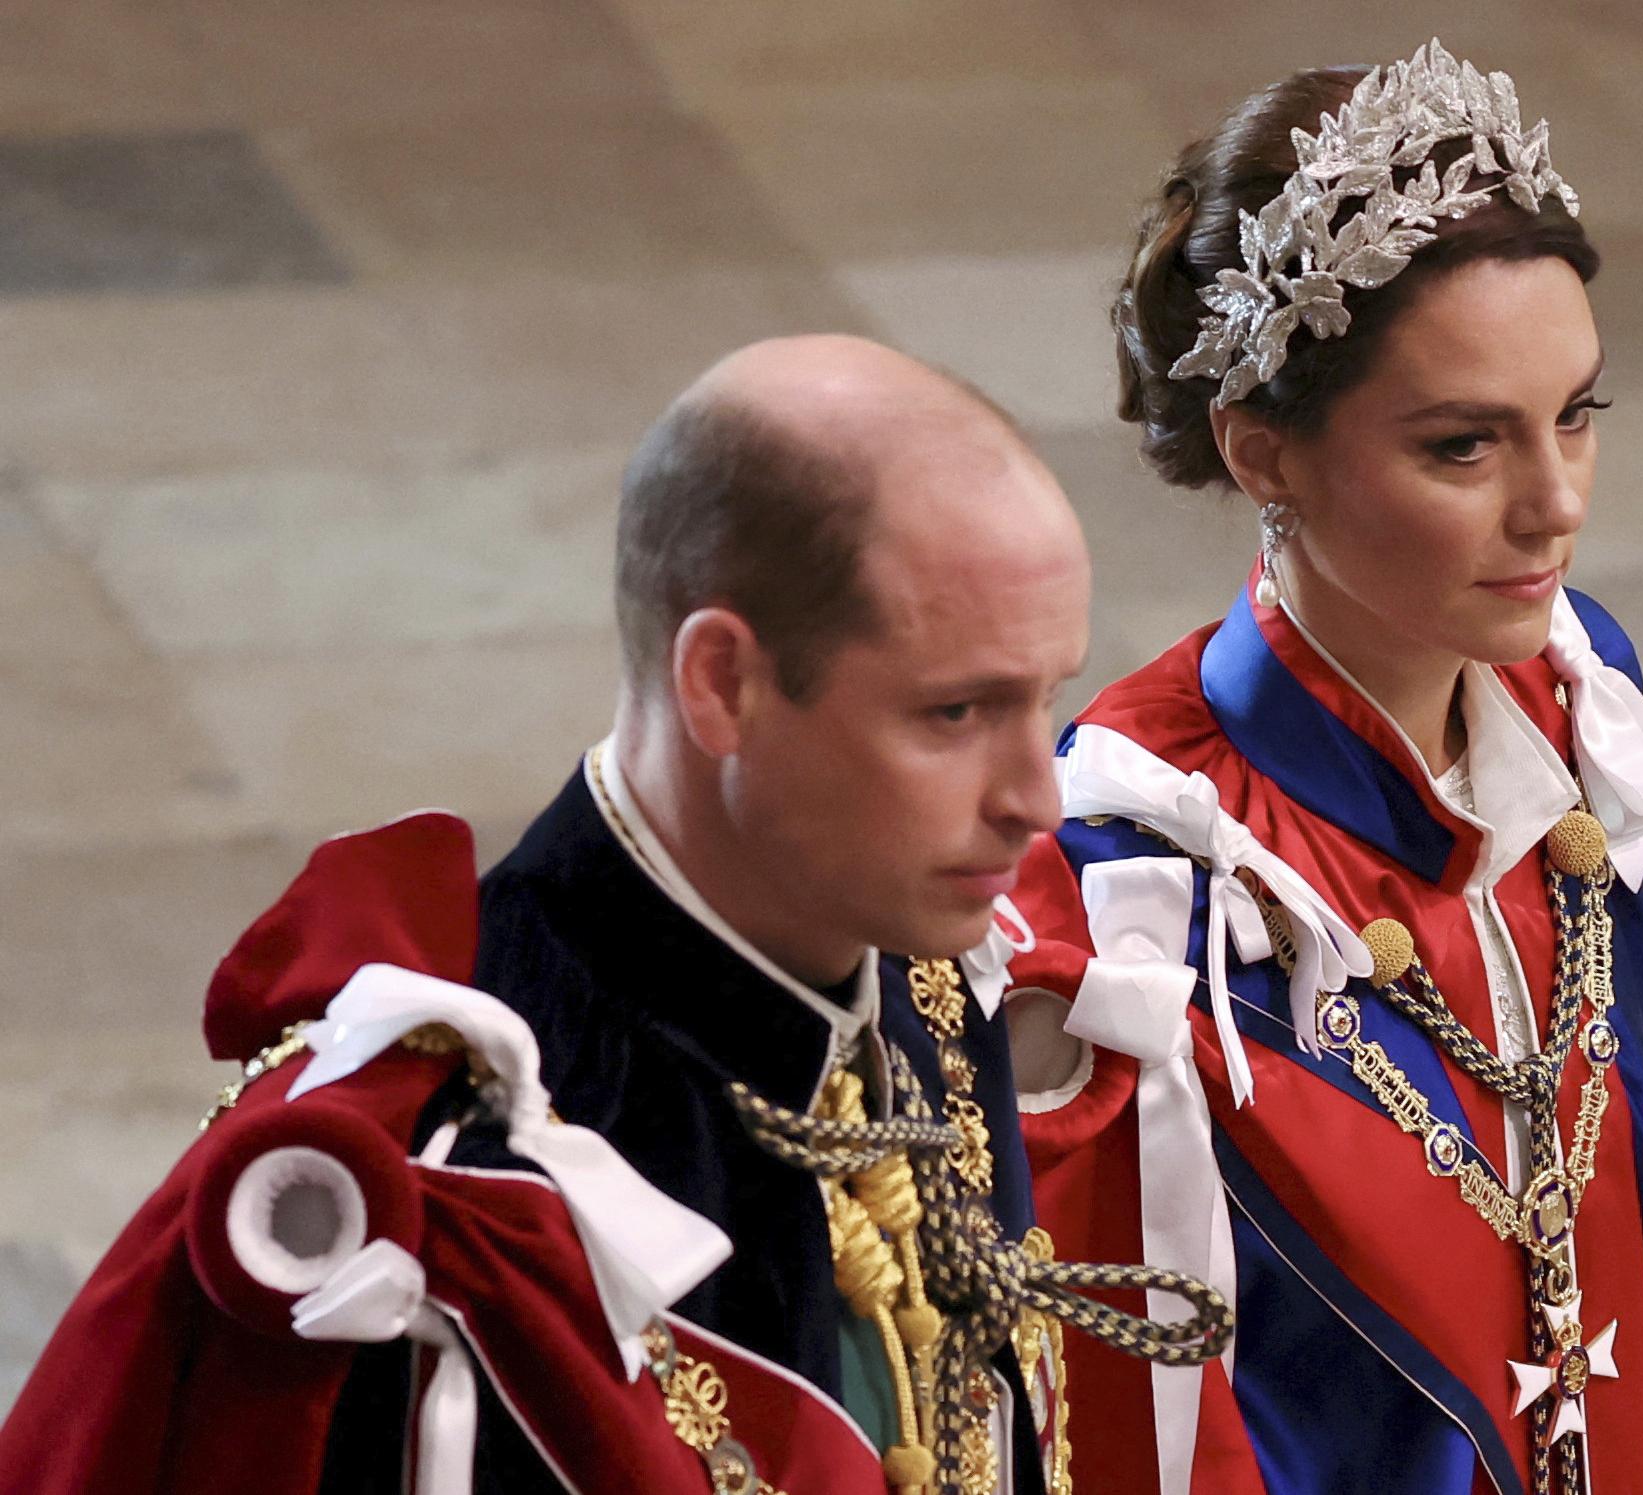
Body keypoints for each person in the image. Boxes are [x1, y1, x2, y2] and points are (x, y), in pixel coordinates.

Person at [0, 335, 1229, 1495]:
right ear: (723, 684)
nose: (1033, 797)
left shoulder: (916, 967)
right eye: (954, 715)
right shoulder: (462, 1204)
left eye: (1047, 699)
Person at [1002, 43, 1643, 1495]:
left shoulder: (1581, 701)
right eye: (1464, 446)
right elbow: (1115, 1416)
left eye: (1576, 414)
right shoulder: (1130, 876)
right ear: (1265, 455)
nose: (1555, 505)